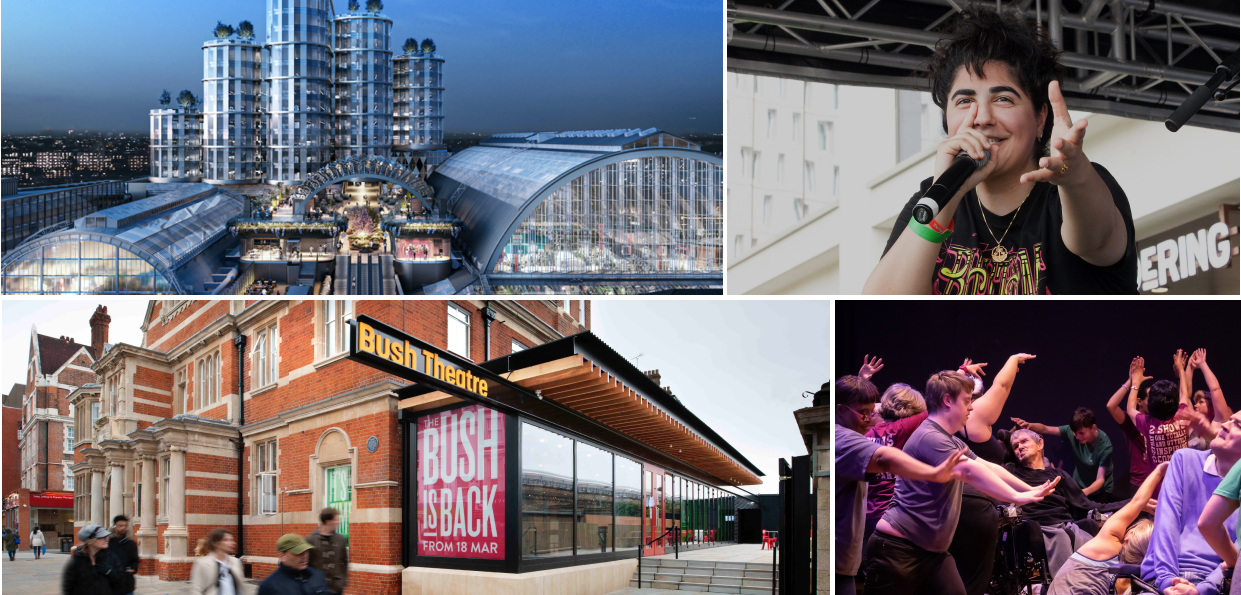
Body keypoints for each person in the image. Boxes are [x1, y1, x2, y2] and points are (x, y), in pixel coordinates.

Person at [862, 8, 1136, 295]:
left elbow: (1096, 240)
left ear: (1040, 118)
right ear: (946, 119)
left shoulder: (1075, 189)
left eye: (1003, 98)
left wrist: (1076, 176)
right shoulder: (931, 201)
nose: (982, 117)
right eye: (965, 101)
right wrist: (947, 199)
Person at [861, 371, 1059, 595]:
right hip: (897, 549)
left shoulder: (949, 438)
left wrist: (1029, 488)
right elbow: (969, 470)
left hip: (933, 553)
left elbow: (985, 465)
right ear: (947, 400)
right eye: (967, 401)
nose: (972, 407)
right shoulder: (929, 436)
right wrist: (1017, 497)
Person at [833, 374, 967, 595]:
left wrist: (861, 380)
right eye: (863, 413)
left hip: (868, 519)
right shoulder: (902, 429)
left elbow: (852, 405)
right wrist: (959, 377)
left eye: (871, 411)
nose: (868, 417)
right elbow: (931, 412)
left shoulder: (869, 433)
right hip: (894, 524)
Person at [947, 353, 1036, 595]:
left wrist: (961, 372)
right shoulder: (976, 413)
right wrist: (1013, 359)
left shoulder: (944, 421)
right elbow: (1002, 385)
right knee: (975, 579)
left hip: (954, 501)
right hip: (981, 502)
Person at [1140, 412, 1241, 595]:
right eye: (1230, 419)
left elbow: (1238, 555)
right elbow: (1166, 524)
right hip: (1163, 580)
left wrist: (1203, 589)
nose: (1225, 425)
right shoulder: (1184, 460)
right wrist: (1167, 580)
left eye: (1238, 425)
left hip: (1216, 586)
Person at [1004, 428, 1127, 576]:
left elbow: (1089, 505)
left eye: (1024, 441)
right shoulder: (1010, 471)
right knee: (1061, 537)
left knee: (1096, 547)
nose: (1020, 447)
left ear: (1040, 444)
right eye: (1015, 446)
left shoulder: (1059, 475)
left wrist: (1135, 503)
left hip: (1066, 525)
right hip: (1036, 526)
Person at [1045, 461, 1167, 595]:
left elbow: (1137, 502)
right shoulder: (1140, 576)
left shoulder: (1108, 545)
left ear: (1127, 537)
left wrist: (1159, 471)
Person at [1011, 406, 1115, 499]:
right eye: (1075, 433)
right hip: (1080, 483)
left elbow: (1100, 480)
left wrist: (1079, 494)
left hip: (1101, 491)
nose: (1077, 437)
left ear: (1093, 428)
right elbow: (1045, 428)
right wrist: (1028, 425)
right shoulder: (1072, 432)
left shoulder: (1105, 446)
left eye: (1081, 433)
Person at [1128, 354, 1192, 469]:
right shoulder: (1183, 416)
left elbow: (1130, 409)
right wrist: (1181, 369)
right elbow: (1184, 394)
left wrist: (1135, 382)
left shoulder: (1148, 424)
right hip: (1183, 482)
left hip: (1159, 486)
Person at [1107, 356, 1153, 499]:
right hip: (1139, 484)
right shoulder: (1130, 422)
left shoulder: (1157, 420)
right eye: (1150, 398)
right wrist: (1131, 381)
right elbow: (1111, 406)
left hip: (1158, 481)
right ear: (1139, 401)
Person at [257, 534, 330, 595]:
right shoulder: (269, 586)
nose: (305, 556)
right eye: (299, 552)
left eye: (306, 551)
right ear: (283, 556)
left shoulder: (318, 575)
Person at [305, 508, 349, 595]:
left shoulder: (340, 539)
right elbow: (305, 564)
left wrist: (342, 580)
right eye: (336, 519)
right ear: (328, 522)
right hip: (317, 589)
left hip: (336, 589)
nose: (338, 522)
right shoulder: (310, 540)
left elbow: (344, 561)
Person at [191, 528, 246, 595]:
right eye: (226, 540)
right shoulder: (202, 563)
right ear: (216, 543)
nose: (232, 543)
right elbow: (196, 590)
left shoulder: (236, 562)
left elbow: (240, 588)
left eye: (232, 540)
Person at [63, 525, 114, 595]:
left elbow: (119, 582)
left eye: (106, 536)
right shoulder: (76, 563)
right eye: (102, 537)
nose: (106, 539)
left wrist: (109, 571)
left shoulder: (109, 557)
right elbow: (68, 588)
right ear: (90, 541)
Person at [106, 515, 138, 595]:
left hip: (126, 584)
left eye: (125, 525)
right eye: (120, 525)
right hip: (111, 584)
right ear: (115, 526)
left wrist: (133, 569)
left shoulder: (131, 544)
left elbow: (135, 560)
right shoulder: (108, 543)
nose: (123, 528)